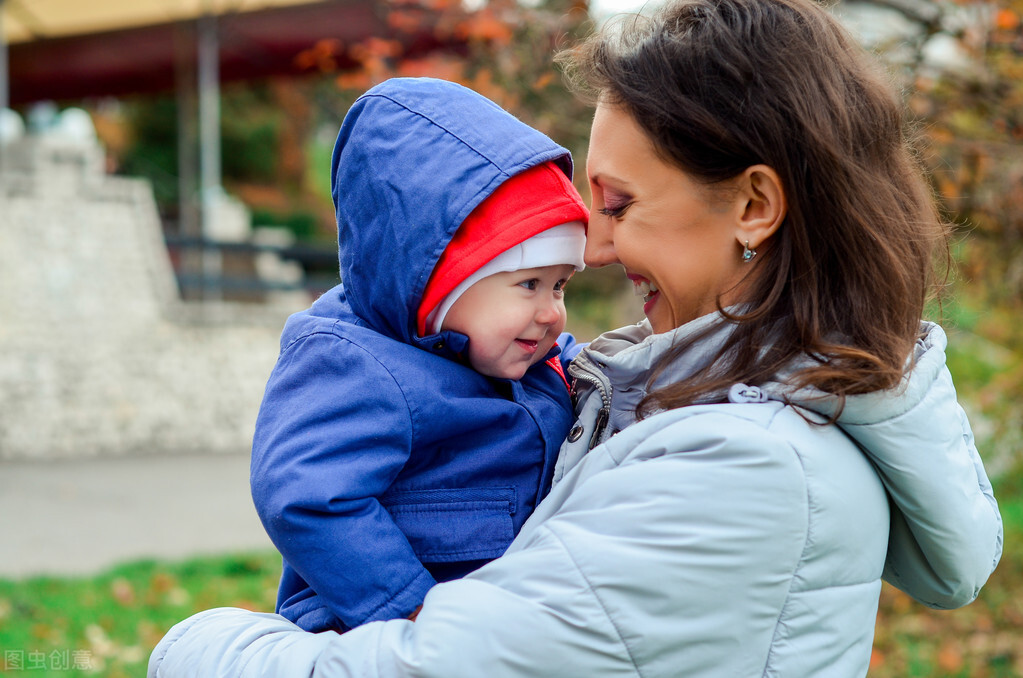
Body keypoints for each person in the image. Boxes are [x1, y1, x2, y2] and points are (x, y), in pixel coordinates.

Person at [149, 1, 1003, 676]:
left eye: (619, 204)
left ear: (752, 207)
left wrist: (190, 648)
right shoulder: (676, 395)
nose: (590, 247)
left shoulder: (748, 469)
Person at [248, 76, 588, 633]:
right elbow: (305, 492)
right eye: (528, 284)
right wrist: (412, 610)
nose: (551, 312)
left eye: (560, 286)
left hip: (503, 620)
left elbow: (581, 372)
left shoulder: (528, 356)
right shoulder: (353, 362)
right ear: (436, 283)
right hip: (375, 630)